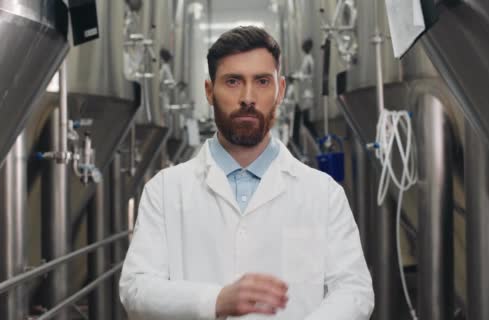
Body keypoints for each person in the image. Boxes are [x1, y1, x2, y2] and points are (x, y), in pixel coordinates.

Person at [119, 26, 374, 320]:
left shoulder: (323, 193)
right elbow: (136, 289)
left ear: (280, 91)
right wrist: (215, 300)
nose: (248, 97)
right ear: (209, 91)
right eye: (232, 81)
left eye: (262, 81)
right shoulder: (165, 190)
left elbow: (354, 290)